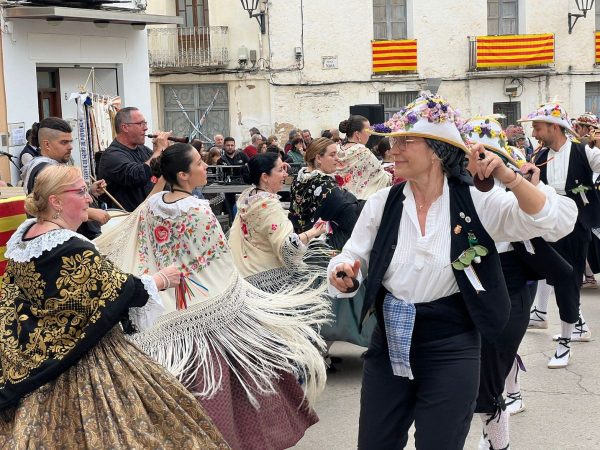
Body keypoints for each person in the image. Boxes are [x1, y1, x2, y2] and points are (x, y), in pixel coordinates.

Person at [328, 93, 576, 450]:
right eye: (393, 142)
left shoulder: (476, 200)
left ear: (436, 151)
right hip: (389, 342)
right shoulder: (383, 203)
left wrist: (508, 174)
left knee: (440, 443)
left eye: (405, 142)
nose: (392, 150)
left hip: (451, 344)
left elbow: (552, 221)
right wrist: (343, 271)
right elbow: (353, 255)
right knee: (375, 443)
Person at [95, 143, 328, 450]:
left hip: (168, 303)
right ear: (183, 174)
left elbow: (141, 245)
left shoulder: (152, 206)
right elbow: (219, 259)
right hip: (209, 303)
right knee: (232, 383)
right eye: (199, 164)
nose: (205, 167)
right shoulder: (198, 208)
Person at [0, 164, 229, 449]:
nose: (89, 198)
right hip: (85, 359)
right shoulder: (67, 246)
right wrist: (159, 279)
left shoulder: (25, 238)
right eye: (81, 191)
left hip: (42, 355)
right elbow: (114, 289)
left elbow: (25, 302)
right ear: (55, 201)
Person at [463, 115, 575, 450]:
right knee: (485, 358)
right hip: (471, 276)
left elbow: (557, 220)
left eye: (489, 155)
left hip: (513, 274)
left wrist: (528, 184)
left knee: (498, 350)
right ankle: (502, 407)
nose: (482, 162)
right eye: (476, 154)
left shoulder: (516, 179)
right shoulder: (457, 185)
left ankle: (499, 432)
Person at [522, 102, 600, 367]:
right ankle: (568, 322)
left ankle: (566, 342)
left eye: (538, 126)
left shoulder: (583, 152)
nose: (534, 132)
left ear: (554, 127)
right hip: (547, 223)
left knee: (569, 278)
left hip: (576, 226)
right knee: (550, 274)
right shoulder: (540, 156)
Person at [229, 153, 326, 292]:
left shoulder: (249, 195)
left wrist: (278, 167)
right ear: (265, 177)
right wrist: (314, 232)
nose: (285, 175)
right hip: (266, 281)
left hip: (244, 274)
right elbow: (287, 249)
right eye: (280, 170)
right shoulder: (268, 205)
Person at [21, 117, 110, 240]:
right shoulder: (46, 170)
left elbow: (63, 198)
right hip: (59, 238)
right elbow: (51, 207)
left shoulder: (48, 166)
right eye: (64, 142)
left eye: (70, 141)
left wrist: (89, 192)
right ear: (47, 144)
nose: (70, 147)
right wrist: (92, 212)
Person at [97, 107, 171, 212]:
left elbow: (158, 172)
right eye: (141, 124)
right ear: (125, 127)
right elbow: (138, 176)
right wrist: (159, 150)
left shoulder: (142, 149)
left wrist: (160, 153)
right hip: (127, 221)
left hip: (151, 215)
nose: (145, 128)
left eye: (145, 123)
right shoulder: (112, 156)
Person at [337, 114, 392, 199]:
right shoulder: (362, 151)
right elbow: (381, 176)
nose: (370, 134)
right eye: (368, 131)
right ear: (357, 134)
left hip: (340, 198)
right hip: (356, 201)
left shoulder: (338, 149)